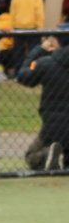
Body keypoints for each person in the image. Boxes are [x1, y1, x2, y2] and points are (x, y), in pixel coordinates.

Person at [16, 32, 69, 171]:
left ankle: (47, 155)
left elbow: (23, 77)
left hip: (53, 126)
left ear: (57, 41)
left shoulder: (47, 63)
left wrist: (39, 50)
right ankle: (62, 158)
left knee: (31, 156)